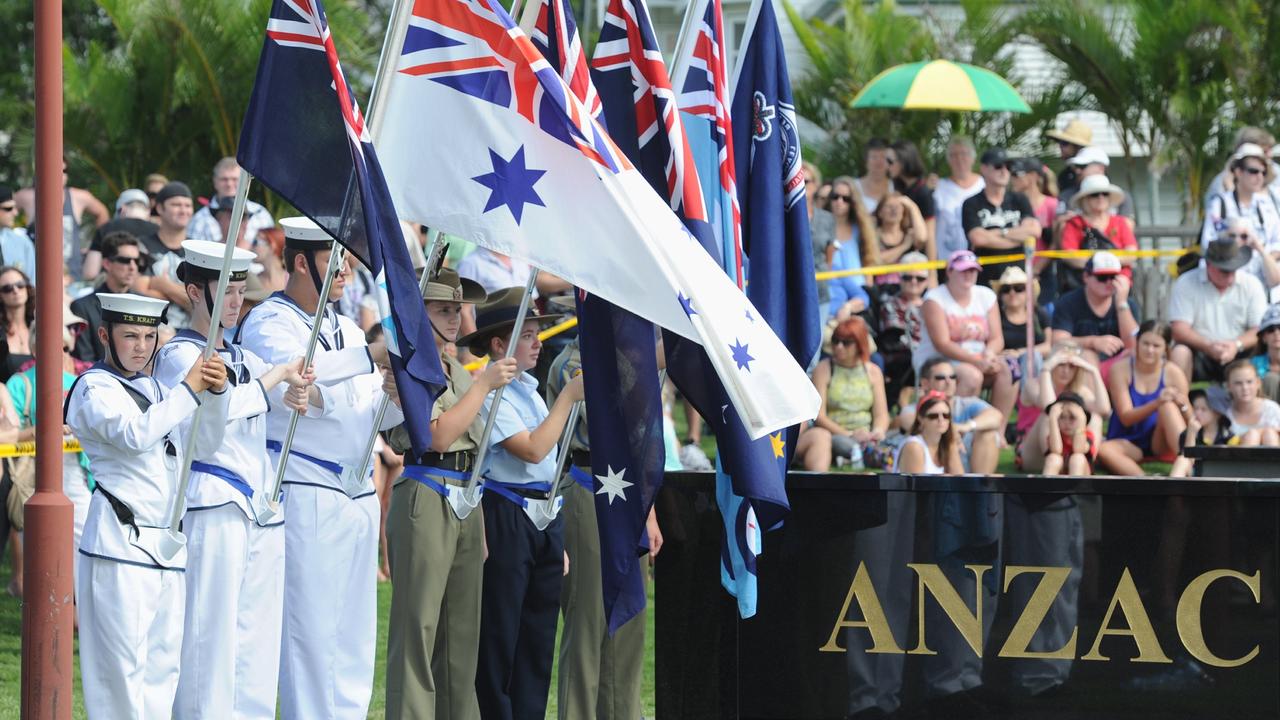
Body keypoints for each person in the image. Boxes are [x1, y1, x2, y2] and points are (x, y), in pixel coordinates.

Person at [235, 217, 401, 719]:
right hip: (305, 486)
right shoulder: (269, 321)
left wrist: (397, 399)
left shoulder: (345, 326)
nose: (349, 268)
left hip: (355, 490)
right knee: (308, 633)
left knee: (352, 634)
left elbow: (366, 407)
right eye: (337, 258)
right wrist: (369, 356)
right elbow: (295, 379)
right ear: (302, 262)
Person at [154, 241, 312, 720]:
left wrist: (299, 385)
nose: (236, 301)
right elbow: (210, 421)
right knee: (209, 641)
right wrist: (271, 384)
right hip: (209, 502)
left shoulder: (241, 356)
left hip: (258, 507)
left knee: (255, 648)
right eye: (226, 291)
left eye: (241, 290)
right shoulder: (179, 354)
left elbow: (290, 379)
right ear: (194, 291)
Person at [63, 292, 229, 719]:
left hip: (166, 546)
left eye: (149, 335)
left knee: (162, 675)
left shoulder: (159, 388)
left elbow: (205, 444)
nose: (141, 345)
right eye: (130, 335)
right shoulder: (92, 387)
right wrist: (190, 389)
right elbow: (136, 435)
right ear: (104, 335)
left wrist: (216, 393)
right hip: (120, 545)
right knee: (119, 679)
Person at [381, 268, 517, 720]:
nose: (456, 318)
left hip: (464, 495)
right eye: (443, 309)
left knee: (461, 634)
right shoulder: (409, 367)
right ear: (419, 312)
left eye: (458, 309)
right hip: (425, 488)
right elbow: (437, 437)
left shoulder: (455, 369)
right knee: (417, 631)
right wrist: (482, 385)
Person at [456, 286, 585, 720]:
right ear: (499, 345)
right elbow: (529, 449)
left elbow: (545, 463)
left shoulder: (527, 390)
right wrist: (567, 399)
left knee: (538, 633)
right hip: (507, 510)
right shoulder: (492, 393)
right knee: (501, 632)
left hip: (543, 514)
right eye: (528, 335)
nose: (539, 342)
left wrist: (552, 534)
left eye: (536, 334)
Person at [546, 333, 660, 720]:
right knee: (588, 622)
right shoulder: (571, 364)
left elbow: (643, 437)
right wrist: (655, 359)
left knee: (629, 620)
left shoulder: (627, 354)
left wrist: (651, 513)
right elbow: (608, 415)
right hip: (588, 481)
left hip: (630, 493)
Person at [845, 391, 957, 718]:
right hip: (897, 527)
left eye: (945, 416)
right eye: (934, 415)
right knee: (878, 604)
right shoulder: (913, 447)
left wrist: (953, 446)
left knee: (899, 608)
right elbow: (913, 497)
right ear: (920, 418)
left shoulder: (945, 448)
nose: (940, 422)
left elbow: (959, 480)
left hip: (924, 534)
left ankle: (888, 695)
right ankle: (866, 697)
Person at [916, 250, 1015, 419]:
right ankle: (955, 428)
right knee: (971, 376)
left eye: (972, 270)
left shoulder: (985, 295)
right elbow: (942, 344)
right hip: (940, 359)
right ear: (949, 272)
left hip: (979, 357)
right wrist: (977, 361)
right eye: (963, 270)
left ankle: (997, 430)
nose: (968, 274)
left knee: (1009, 369)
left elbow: (997, 338)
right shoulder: (934, 298)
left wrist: (989, 355)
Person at [1097, 321, 1190, 475]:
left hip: (1160, 441)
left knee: (1168, 407)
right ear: (1137, 343)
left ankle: (1187, 462)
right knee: (1104, 449)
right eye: (1145, 343)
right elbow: (1126, 417)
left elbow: (1189, 420)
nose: (1150, 350)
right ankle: (1146, 482)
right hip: (1128, 440)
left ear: (1166, 349)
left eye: (1156, 346)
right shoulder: (1121, 369)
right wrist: (1157, 403)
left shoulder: (1174, 373)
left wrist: (1183, 405)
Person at [1168, 238, 1267, 383]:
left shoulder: (1251, 284)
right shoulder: (1186, 282)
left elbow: (1259, 329)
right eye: (1224, 270)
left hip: (1242, 352)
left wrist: (1236, 345)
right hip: (1199, 352)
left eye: (1233, 269)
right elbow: (1179, 330)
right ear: (1208, 265)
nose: (1230, 275)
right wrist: (1207, 346)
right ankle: (1180, 401)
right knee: (1180, 352)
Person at [898, 356, 1002, 475]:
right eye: (941, 378)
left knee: (988, 433)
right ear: (925, 383)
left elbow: (996, 416)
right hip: (928, 469)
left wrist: (966, 426)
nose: (948, 382)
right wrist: (951, 431)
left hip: (963, 458)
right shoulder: (914, 409)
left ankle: (982, 487)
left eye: (952, 377)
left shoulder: (966, 403)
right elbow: (910, 422)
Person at [13, 157, 110, 280]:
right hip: (36, 276)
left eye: (64, 170)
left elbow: (102, 213)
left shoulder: (78, 197)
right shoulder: (28, 196)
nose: (60, 174)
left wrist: (94, 247)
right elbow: (5, 208)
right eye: (55, 170)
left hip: (72, 276)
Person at [811, 317, 889, 465]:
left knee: (895, 437)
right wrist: (851, 434)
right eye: (835, 341)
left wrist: (878, 432)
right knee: (844, 444)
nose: (839, 346)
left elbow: (881, 414)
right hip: (837, 434)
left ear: (859, 344)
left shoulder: (873, 371)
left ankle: (860, 455)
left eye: (846, 343)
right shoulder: (824, 369)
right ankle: (865, 455)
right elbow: (819, 417)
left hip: (867, 434)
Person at [962, 147, 1041, 285]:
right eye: (998, 166)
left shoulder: (1020, 199)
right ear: (984, 169)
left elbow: (1034, 231)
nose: (1004, 171)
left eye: (1008, 166)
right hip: (985, 279)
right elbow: (978, 239)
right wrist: (1018, 237)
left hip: (1018, 279)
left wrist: (998, 233)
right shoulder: (971, 203)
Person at [1049, 250, 1138, 369]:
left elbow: (1133, 345)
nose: (1109, 282)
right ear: (1086, 276)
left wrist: (1121, 304)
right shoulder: (1068, 302)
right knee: (1089, 357)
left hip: (1116, 368)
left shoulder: (1127, 303)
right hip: (1079, 367)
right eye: (1102, 277)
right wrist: (1093, 342)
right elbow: (1058, 342)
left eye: (1113, 277)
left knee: (1133, 357)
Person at [71, 232, 143, 363]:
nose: (133, 267)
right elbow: (83, 360)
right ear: (107, 264)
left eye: (137, 261)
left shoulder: (145, 304)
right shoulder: (82, 307)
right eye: (125, 260)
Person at [1058, 175, 1138, 290]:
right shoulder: (1074, 224)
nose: (1100, 198)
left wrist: (1105, 263)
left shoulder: (1120, 222)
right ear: (1085, 199)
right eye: (1094, 195)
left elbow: (1131, 253)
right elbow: (1070, 256)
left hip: (1119, 283)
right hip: (1083, 284)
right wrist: (1098, 266)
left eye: (1105, 194)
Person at [1201, 143, 1280, 252]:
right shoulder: (1220, 204)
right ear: (1238, 172)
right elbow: (1208, 242)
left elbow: (1278, 242)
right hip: (1230, 267)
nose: (1260, 177)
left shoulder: (1267, 205)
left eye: (1264, 172)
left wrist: (1265, 258)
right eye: (1253, 171)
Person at [139, 182, 196, 328]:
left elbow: (201, 302)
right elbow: (141, 291)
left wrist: (162, 284)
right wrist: (184, 295)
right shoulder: (142, 246)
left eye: (188, 205)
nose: (183, 210)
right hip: (152, 329)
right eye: (176, 204)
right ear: (159, 208)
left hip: (192, 332)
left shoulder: (198, 250)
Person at [187, 157, 276, 245]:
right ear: (215, 182)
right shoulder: (199, 219)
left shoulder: (261, 215)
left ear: (245, 183)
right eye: (224, 179)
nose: (229, 184)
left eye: (235, 179)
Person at [877, 251, 928, 404]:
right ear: (900, 279)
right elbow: (895, 337)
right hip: (903, 358)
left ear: (926, 281)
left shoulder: (934, 303)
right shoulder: (891, 303)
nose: (914, 282)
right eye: (908, 277)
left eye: (920, 278)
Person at [827, 176, 876, 322]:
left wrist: (869, 284)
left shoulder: (861, 229)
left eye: (845, 198)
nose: (839, 202)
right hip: (832, 291)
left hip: (858, 294)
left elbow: (869, 257)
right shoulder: (820, 227)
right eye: (835, 197)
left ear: (852, 202)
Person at [84, 189, 158, 281]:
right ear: (148, 211)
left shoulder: (106, 228)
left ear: (122, 209)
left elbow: (90, 273)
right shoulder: (160, 231)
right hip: (151, 290)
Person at [993, 266, 1050, 379]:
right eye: (1006, 289)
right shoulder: (995, 315)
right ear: (1000, 295)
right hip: (1005, 366)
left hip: (1038, 364)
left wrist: (1020, 353)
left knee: (1034, 357)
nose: (1012, 293)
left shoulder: (1039, 314)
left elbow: (1048, 347)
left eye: (1018, 288)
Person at [934, 136, 985, 262]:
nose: (959, 159)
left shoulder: (984, 184)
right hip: (946, 259)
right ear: (948, 160)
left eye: (964, 154)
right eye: (954, 155)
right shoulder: (939, 186)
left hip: (979, 258)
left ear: (973, 158)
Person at [1056, 146, 1136, 220]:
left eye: (1082, 166)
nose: (1077, 171)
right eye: (1076, 166)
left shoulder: (1122, 197)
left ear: (1101, 168)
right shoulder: (1066, 196)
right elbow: (1058, 228)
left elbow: (1127, 229)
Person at [870, 194, 927, 289]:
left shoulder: (908, 234)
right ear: (880, 212)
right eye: (889, 206)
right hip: (880, 291)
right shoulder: (872, 236)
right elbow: (876, 261)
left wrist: (913, 207)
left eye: (898, 207)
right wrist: (904, 246)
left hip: (908, 290)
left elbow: (922, 238)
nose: (894, 210)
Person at [890, 139, 937, 253]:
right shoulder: (898, 187)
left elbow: (930, 235)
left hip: (918, 261)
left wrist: (932, 269)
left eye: (890, 161)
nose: (887, 166)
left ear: (903, 160)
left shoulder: (922, 191)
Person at [805, 162, 836, 320]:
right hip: (790, 292)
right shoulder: (781, 217)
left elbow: (829, 254)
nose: (800, 185)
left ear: (816, 185)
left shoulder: (827, 218)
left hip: (820, 293)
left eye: (805, 181)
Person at [1223, 359, 1280, 446]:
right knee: (1252, 436)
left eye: (1249, 382)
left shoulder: (1272, 409)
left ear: (1258, 383)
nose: (1245, 388)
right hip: (1235, 458)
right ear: (1228, 386)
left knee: (1269, 434)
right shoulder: (1225, 414)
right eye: (1238, 383)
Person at [1043, 393, 1097, 475]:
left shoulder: (1087, 435)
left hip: (1082, 476)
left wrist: (1081, 419)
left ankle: (1075, 488)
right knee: (1053, 458)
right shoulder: (1055, 436)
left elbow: (1078, 449)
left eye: (1072, 417)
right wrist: (1053, 418)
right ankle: (1047, 487)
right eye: (1061, 417)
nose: (1066, 422)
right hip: (1061, 473)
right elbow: (1056, 450)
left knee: (1077, 458)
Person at [0, 267, 34, 382]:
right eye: (7, 288)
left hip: (38, 397)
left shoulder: (39, 326)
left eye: (20, 284)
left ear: (27, 287)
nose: (15, 290)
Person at [1045, 118, 1093, 196]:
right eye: (1059, 142)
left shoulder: (1092, 173)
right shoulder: (1065, 174)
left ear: (1078, 147)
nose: (1060, 146)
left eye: (1064, 143)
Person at [0, 186, 37, 281]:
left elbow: (32, 284)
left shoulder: (22, 243)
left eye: (15, 207)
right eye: (8, 208)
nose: (15, 213)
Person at [855, 137, 893, 213]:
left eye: (883, 157)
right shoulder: (853, 187)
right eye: (874, 157)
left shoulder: (896, 187)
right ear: (866, 161)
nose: (879, 161)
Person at [1251, 303, 1280, 401]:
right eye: (1270, 330)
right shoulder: (1253, 365)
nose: (1276, 333)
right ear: (1263, 337)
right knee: (1271, 379)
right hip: (1264, 411)